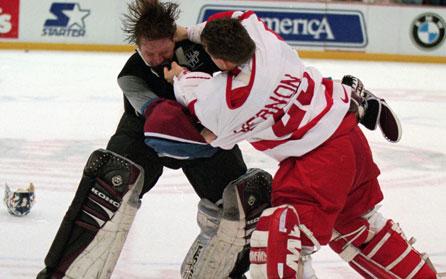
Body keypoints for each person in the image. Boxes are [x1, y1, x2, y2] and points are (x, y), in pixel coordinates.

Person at [164, 10, 442, 279]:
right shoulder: (261, 37)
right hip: (348, 136)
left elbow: (211, 132)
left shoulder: (229, 101)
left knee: (280, 236)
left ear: (222, 63)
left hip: (318, 162)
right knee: (360, 228)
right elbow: (233, 20)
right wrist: (188, 32)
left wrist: (177, 76)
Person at [36, 2, 272, 279]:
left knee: (244, 199)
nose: (159, 59)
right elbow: (163, 118)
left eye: (164, 51)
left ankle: (222, 272)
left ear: (175, 38)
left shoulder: (204, 49)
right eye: (150, 54)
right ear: (137, 47)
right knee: (110, 180)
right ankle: (63, 273)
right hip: (148, 133)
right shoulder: (130, 75)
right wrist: (186, 86)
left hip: (202, 133)